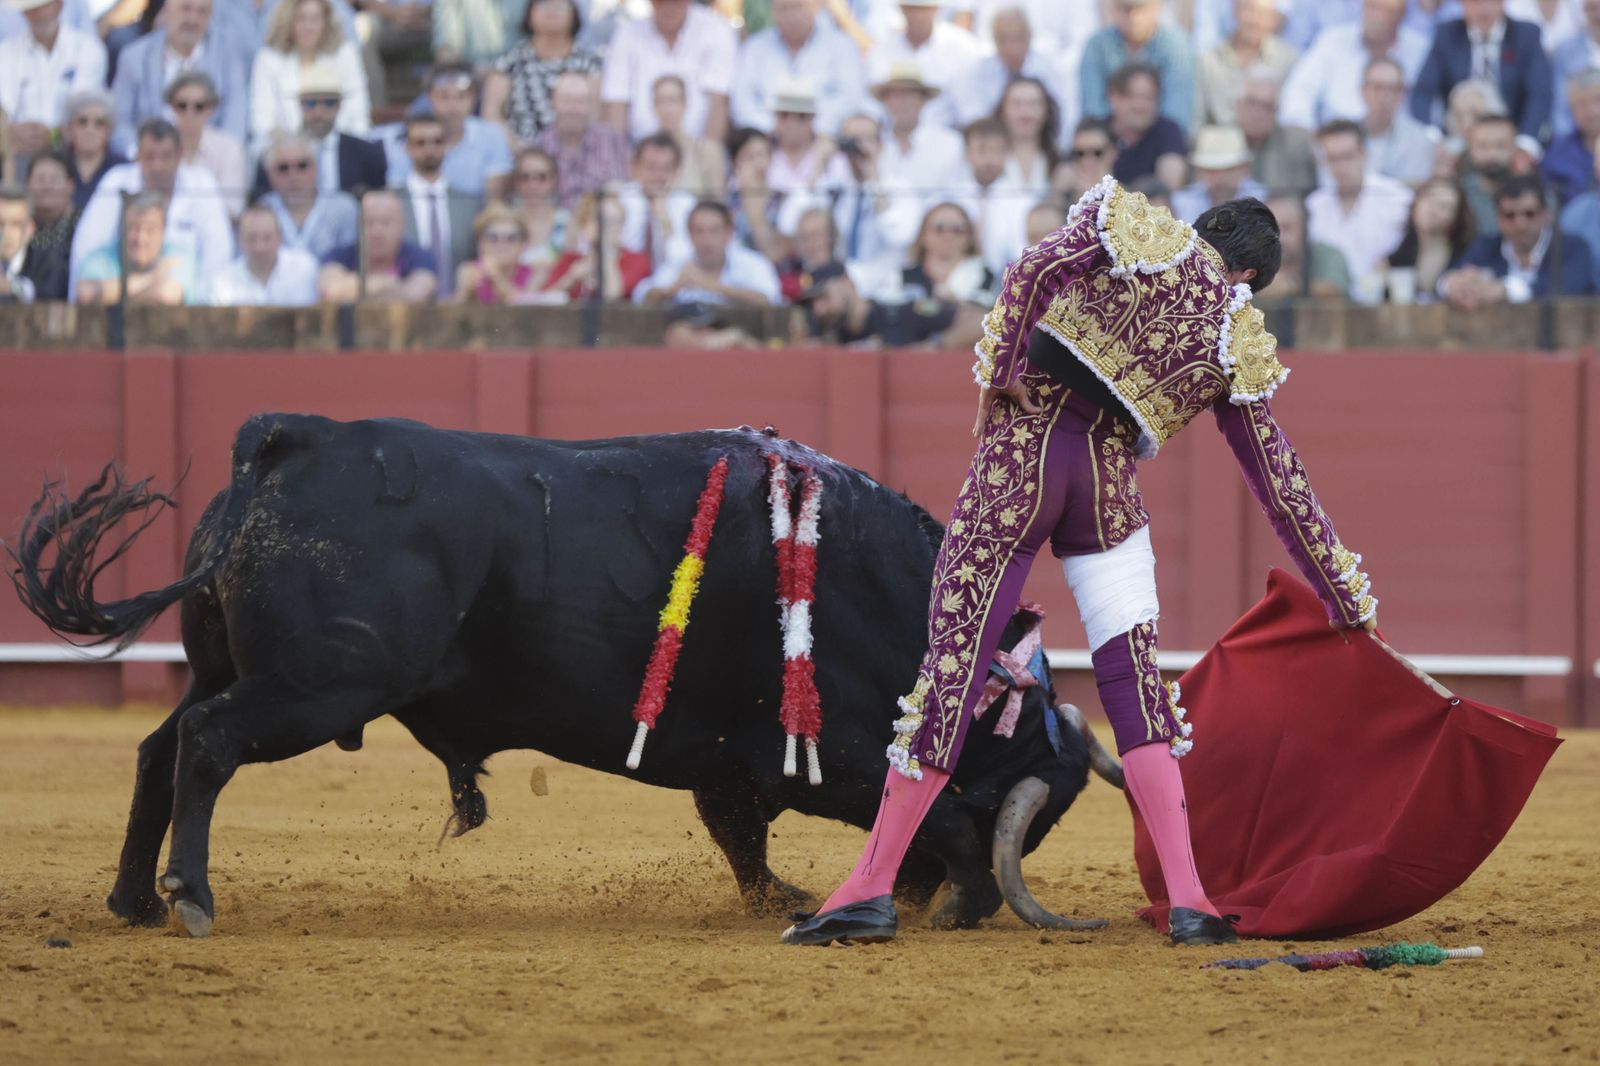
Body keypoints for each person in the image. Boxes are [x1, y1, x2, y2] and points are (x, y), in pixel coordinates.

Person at [782, 180, 1379, 950]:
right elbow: (1281, 484)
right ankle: (1192, 900)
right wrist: (1343, 596)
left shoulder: (1141, 233)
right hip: (1108, 490)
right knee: (1136, 686)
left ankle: (870, 888)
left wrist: (999, 378)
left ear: (1204, 230)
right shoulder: (1235, 335)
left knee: (955, 669)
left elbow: (1031, 270)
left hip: (1023, 460)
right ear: (1250, 277)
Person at [69, 118, 234, 298]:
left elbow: (217, 258)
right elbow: (87, 247)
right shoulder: (116, 181)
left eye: (165, 156)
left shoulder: (202, 184)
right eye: (150, 157)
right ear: (138, 155)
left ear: (180, 155)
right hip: (108, 311)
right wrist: (151, 280)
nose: (157, 165)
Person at [1408, 0, 1554, 155]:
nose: (1483, 9)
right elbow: (1423, 91)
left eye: (1490, 1)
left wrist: (1525, 141)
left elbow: (1540, 93)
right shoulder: (1447, 34)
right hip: (1457, 139)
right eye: (1475, 2)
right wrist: (1432, 137)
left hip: (1510, 138)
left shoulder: (1526, 35)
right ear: (1462, 5)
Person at [109, 0, 251, 151]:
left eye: (201, 12)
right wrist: (142, 154)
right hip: (147, 161)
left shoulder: (227, 57)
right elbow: (119, 122)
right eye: (186, 9)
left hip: (210, 161)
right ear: (167, 10)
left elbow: (235, 119)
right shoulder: (134, 57)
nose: (193, 19)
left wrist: (219, 155)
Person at [1440, 173, 1598, 304]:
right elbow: (1450, 277)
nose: (1520, 224)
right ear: (1498, 219)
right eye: (1510, 216)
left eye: (1529, 214)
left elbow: (1565, 289)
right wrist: (1454, 284)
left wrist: (1503, 290)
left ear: (1545, 215)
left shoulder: (1573, 247)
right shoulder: (1487, 245)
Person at [1279, 0, 1430, 131]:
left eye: (1388, 11)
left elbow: (1427, 108)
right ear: (1362, 7)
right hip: (1332, 141)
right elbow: (1300, 90)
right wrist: (1306, 130)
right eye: (1373, 7)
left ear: (1402, 17)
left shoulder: (1420, 51)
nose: (1378, 17)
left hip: (1396, 147)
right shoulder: (1333, 39)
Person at [248, 0, 371, 160]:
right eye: (301, 19)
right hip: (288, 157)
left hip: (341, 154)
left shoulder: (346, 54)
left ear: (326, 22)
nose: (308, 26)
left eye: (315, 19)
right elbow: (262, 124)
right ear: (289, 21)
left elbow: (359, 117)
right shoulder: (268, 59)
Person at [601, 0, 738, 143]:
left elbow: (719, 102)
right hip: (640, 151)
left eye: (675, 2)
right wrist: (618, 155)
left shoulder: (716, 30)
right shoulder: (627, 34)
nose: (668, 8)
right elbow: (616, 101)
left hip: (697, 150)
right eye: (661, 2)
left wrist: (707, 155)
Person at [1306, 120, 1414, 299]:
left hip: (1387, 305)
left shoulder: (1398, 199)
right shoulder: (1313, 207)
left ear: (1364, 155)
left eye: (1348, 156)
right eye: (1332, 159)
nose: (1340, 167)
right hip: (1332, 309)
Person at [730, 0, 865, 137]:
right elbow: (742, 103)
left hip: (828, 140)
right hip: (766, 142)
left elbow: (851, 98)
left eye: (798, 6)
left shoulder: (842, 46)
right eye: (784, 8)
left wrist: (807, 129)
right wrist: (775, 128)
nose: (792, 15)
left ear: (816, 7)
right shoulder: (754, 47)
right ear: (772, 10)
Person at [388, 63, 516, 201]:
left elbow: (493, 199)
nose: (453, 106)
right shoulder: (407, 137)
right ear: (429, 98)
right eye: (444, 97)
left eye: (461, 97)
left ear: (473, 98)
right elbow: (398, 195)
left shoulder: (492, 136)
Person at [482, 0, 600, 147]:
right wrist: (519, 150)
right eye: (543, 3)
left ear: (574, 14)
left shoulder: (590, 65)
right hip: (519, 157)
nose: (552, 11)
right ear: (529, 13)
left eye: (560, 5)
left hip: (577, 153)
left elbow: (596, 116)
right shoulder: (508, 62)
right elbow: (491, 114)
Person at [0, 0, 107, 162]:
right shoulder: (6, 52)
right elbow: (5, 106)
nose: (38, 14)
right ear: (23, 13)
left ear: (60, 5)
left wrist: (54, 135)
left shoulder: (88, 48)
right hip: (17, 148)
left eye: (44, 6)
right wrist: (10, 132)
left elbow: (82, 107)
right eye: (31, 9)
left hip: (70, 149)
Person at [945, 6, 1076, 134]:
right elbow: (973, 119)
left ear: (1030, 36)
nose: (1011, 48)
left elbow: (1066, 115)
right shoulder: (976, 73)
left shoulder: (1053, 69)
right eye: (1004, 40)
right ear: (994, 40)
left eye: (1017, 38)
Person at [634, 198, 783, 307]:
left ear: (728, 233)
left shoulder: (754, 263)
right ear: (690, 235)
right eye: (699, 231)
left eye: (714, 231)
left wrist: (712, 286)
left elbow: (769, 299)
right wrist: (670, 291)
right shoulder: (678, 265)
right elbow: (641, 297)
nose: (707, 239)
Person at [396, 113, 483, 299]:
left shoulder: (470, 203)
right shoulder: (392, 202)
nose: (430, 149)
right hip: (406, 307)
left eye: (437, 142)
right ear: (406, 147)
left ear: (447, 145)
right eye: (420, 142)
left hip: (460, 307)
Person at [1081, 0, 1196, 134]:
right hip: (1111, 141)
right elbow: (1094, 112)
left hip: (1159, 140)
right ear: (1115, 9)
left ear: (1157, 7)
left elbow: (1177, 114)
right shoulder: (1098, 45)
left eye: (1141, 9)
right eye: (1126, 9)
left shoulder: (1175, 44)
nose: (1133, 18)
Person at [792, 259, 960, 347]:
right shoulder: (830, 337)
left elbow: (970, 319)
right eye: (812, 305)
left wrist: (936, 344)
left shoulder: (902, 310)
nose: (819, 310)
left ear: (847, 282)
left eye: (824, 297)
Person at [318, 188, 439, 303]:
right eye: (369, 223)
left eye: (385, 223)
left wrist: (353, 289)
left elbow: (418, 293)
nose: (377, 232)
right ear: (358, 226)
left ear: (402, 226)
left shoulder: (420, 256)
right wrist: (389, 283)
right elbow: (331, 290)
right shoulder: (339, 255)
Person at [76, 191, 198, 305]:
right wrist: (151, 278)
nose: (140, 239)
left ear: (163, 231)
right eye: (133, 228)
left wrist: (113, 299)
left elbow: (166, 294)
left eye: (150, 230)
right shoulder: (101, 257)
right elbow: (86, 293)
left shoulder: (178, 254)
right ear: (122, 228)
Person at [533, 71, 631, 209]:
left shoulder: (612, 141)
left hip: (603, 224)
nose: (573, 109)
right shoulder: (540, 146)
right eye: (567, 100)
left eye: (581, 101)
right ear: (553, 103)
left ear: (591, 106)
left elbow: (624, 192)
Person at [257, 131, 359, 260]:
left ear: (316, 168)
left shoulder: (344, 209)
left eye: (302, 166)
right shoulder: (262, 209)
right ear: (269, 174)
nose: (294, 176)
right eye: (283, 168)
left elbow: (352, 261)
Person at [865, 0, 984, 111]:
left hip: (949, 129)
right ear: (902, 9)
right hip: (892, 131)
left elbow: (971, 106)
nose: (917, 16)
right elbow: (873, 104)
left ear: (936, 9)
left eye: (923, 9)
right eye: (912, 9)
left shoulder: (963, 46)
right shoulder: (881, 50)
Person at [1195, 0, 1296, 128]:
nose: (1255, 21)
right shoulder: (1208, 63)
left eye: (1263, 14)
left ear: (1273, 20)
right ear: (1235, 10)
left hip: (1270, 143)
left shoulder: (1288, 61)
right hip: (1221, 142)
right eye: (1249, 11)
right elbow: (1196, 123)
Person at [952, 117, 1032, 276]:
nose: (989, 160)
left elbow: (1022, 252)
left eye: (996, 151)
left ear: (1008, 154)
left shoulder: (1023, 202)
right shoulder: (950, 197)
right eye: (981, 150)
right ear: (967, 154)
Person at [871, 61, 965, 195]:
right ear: (885, 101)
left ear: (923, 100)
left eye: (910, 95)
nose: (903, 103)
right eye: (896, 96)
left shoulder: (950, 144)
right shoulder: (872, 143)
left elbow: (954, 194)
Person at [542, 189, 652, 300]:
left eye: (614, 221)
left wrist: (606, 251)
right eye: (599, 219)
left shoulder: (636, 261)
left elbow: (612, 295)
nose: (607, 227)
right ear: (584, 224)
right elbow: (542, 301)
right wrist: (572, 278)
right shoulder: (570, 260)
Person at [165, 73, 247, 220]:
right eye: (182, 106)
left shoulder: (229, 148)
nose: (189, 113)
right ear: (171, 106)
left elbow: (233, 207)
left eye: (199, 107)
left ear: (211, 109)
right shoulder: (159, 148)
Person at [1382, 177, 1478, 298]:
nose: (1433, 210)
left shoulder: (1467, 256)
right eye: (1429, 199)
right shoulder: (1394, 253)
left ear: (1455, 219)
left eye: (1444, 206)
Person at [208, 205, 319, 305]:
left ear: (280, 237)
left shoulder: (306, 269)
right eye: (252, 238)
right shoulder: (223, 282)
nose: (259, 247)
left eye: (267, 238)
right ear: (240, 240)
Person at [617, 131, 696, 268]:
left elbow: (682, 259)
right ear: (634, 168)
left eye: (666, 168)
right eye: (651, 167)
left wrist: (662, 217)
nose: (658, 176)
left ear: (677, 171)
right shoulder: (619, 200)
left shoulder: (688, 205)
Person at [1237, 68, 1318, 198]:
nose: (1258, 114)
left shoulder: (1297, 143)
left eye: (1267, 106)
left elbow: (1303, 198)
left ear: (1277, 111)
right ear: (1238, 105)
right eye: (1251, 103)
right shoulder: (1220, 141)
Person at [1107, 62, 1187, 190]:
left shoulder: (1168, 131)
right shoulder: (1098, 131)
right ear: (1113, 97)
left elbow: (1170, 186)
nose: (1140, 106)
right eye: (1131, 96)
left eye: (1148, 97)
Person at [1361, 56, 1437, 186]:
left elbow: (1415, 187)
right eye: (1378, 87)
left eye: (1393, 89)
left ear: (1403, 94)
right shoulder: (1346, 136)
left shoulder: (1419, 140)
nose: (1384, 96)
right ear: (1363, 90)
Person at [766, 76, 848, 197]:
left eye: (801, 116)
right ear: (775, 117)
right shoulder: (762, 155)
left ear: (812, 118)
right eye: (784, 115)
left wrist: (820, 165)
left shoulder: (833, 160)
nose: (792, 123)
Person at [651, 74, 728, 198]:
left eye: (672, 101)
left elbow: (718, 201)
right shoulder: (644, 153)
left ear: (684, 104)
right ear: (654, 107)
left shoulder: (706, 151)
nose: (667, 109)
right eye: (660, 101)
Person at [1172, 125, 1268, 223]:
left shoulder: (1264, 200)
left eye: (1229, 170)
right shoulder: (1180, 203)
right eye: (1211, 170)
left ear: (1245, 169)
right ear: (1200, 172)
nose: (1220, 178)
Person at [454, 202, 546, 303]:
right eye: (493, 238)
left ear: (523, 244)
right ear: (481, 243)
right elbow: (451, 314)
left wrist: (499, 282)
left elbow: (531, 309)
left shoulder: (535, 274)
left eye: (511, 238)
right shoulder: (468, 271)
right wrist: (465, 293)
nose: (502, 244)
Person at [1264, 192, 1351, 298]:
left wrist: (1290, 287)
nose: (1278, 237)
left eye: (1287, 228)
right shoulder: (1251, 257)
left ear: (1305, 230)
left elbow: (1334, 290)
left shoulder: (1327, 255)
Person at [20, 151, 75, 299]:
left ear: (70, 186)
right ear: (27, 184)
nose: (47, 186)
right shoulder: (16, 225)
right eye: (40, 179)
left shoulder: (84, 226)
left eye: (54, 179)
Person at [60, 91, 124, 212]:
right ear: (69, 128)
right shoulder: (56, 164)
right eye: (82, 122)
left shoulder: (122, 167)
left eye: (99, 123)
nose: (90, 129)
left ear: (109, 130)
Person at [1543, 67, 1600, 203]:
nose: (1591, 111)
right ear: (1570, 110)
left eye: (1598, 100)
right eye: (1581, 104)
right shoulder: (1557, 152)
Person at [994, 76, 1058, 195]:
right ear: (1002, 110)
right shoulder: (986, 158)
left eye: (1034, 104)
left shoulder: (1059, 161)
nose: (1025, 113)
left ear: (1046, 110)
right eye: (1016, 104)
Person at [507, 146, 567, 267]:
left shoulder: (567, 224)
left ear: (554, 180)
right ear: (515, 181)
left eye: (542, 177)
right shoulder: (502, 220)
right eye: (524, 177)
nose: (533, 185)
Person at [0, 185, 36, 302]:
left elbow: (41, 295)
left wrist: (11, 288)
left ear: (30, 229)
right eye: (0, 224)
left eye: (16, 224)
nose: (6, 233)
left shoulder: (48, 263)